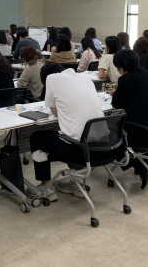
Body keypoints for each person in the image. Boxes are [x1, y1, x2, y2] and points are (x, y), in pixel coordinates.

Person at [28, 62, 106, 200]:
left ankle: (47, 188)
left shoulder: (51, 78)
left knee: (37, 137)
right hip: (102, 147)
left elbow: (56, 113)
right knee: (71, 131)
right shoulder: (85, 79)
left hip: (80, 151)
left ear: (45, 78)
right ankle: (76, 183)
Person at [109, 49, 148, 189]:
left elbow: (116, 104)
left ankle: (136, 163)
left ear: (121, 68)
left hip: (139, 130)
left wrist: (117, 93)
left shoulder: (126, 79)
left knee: (110, 132)